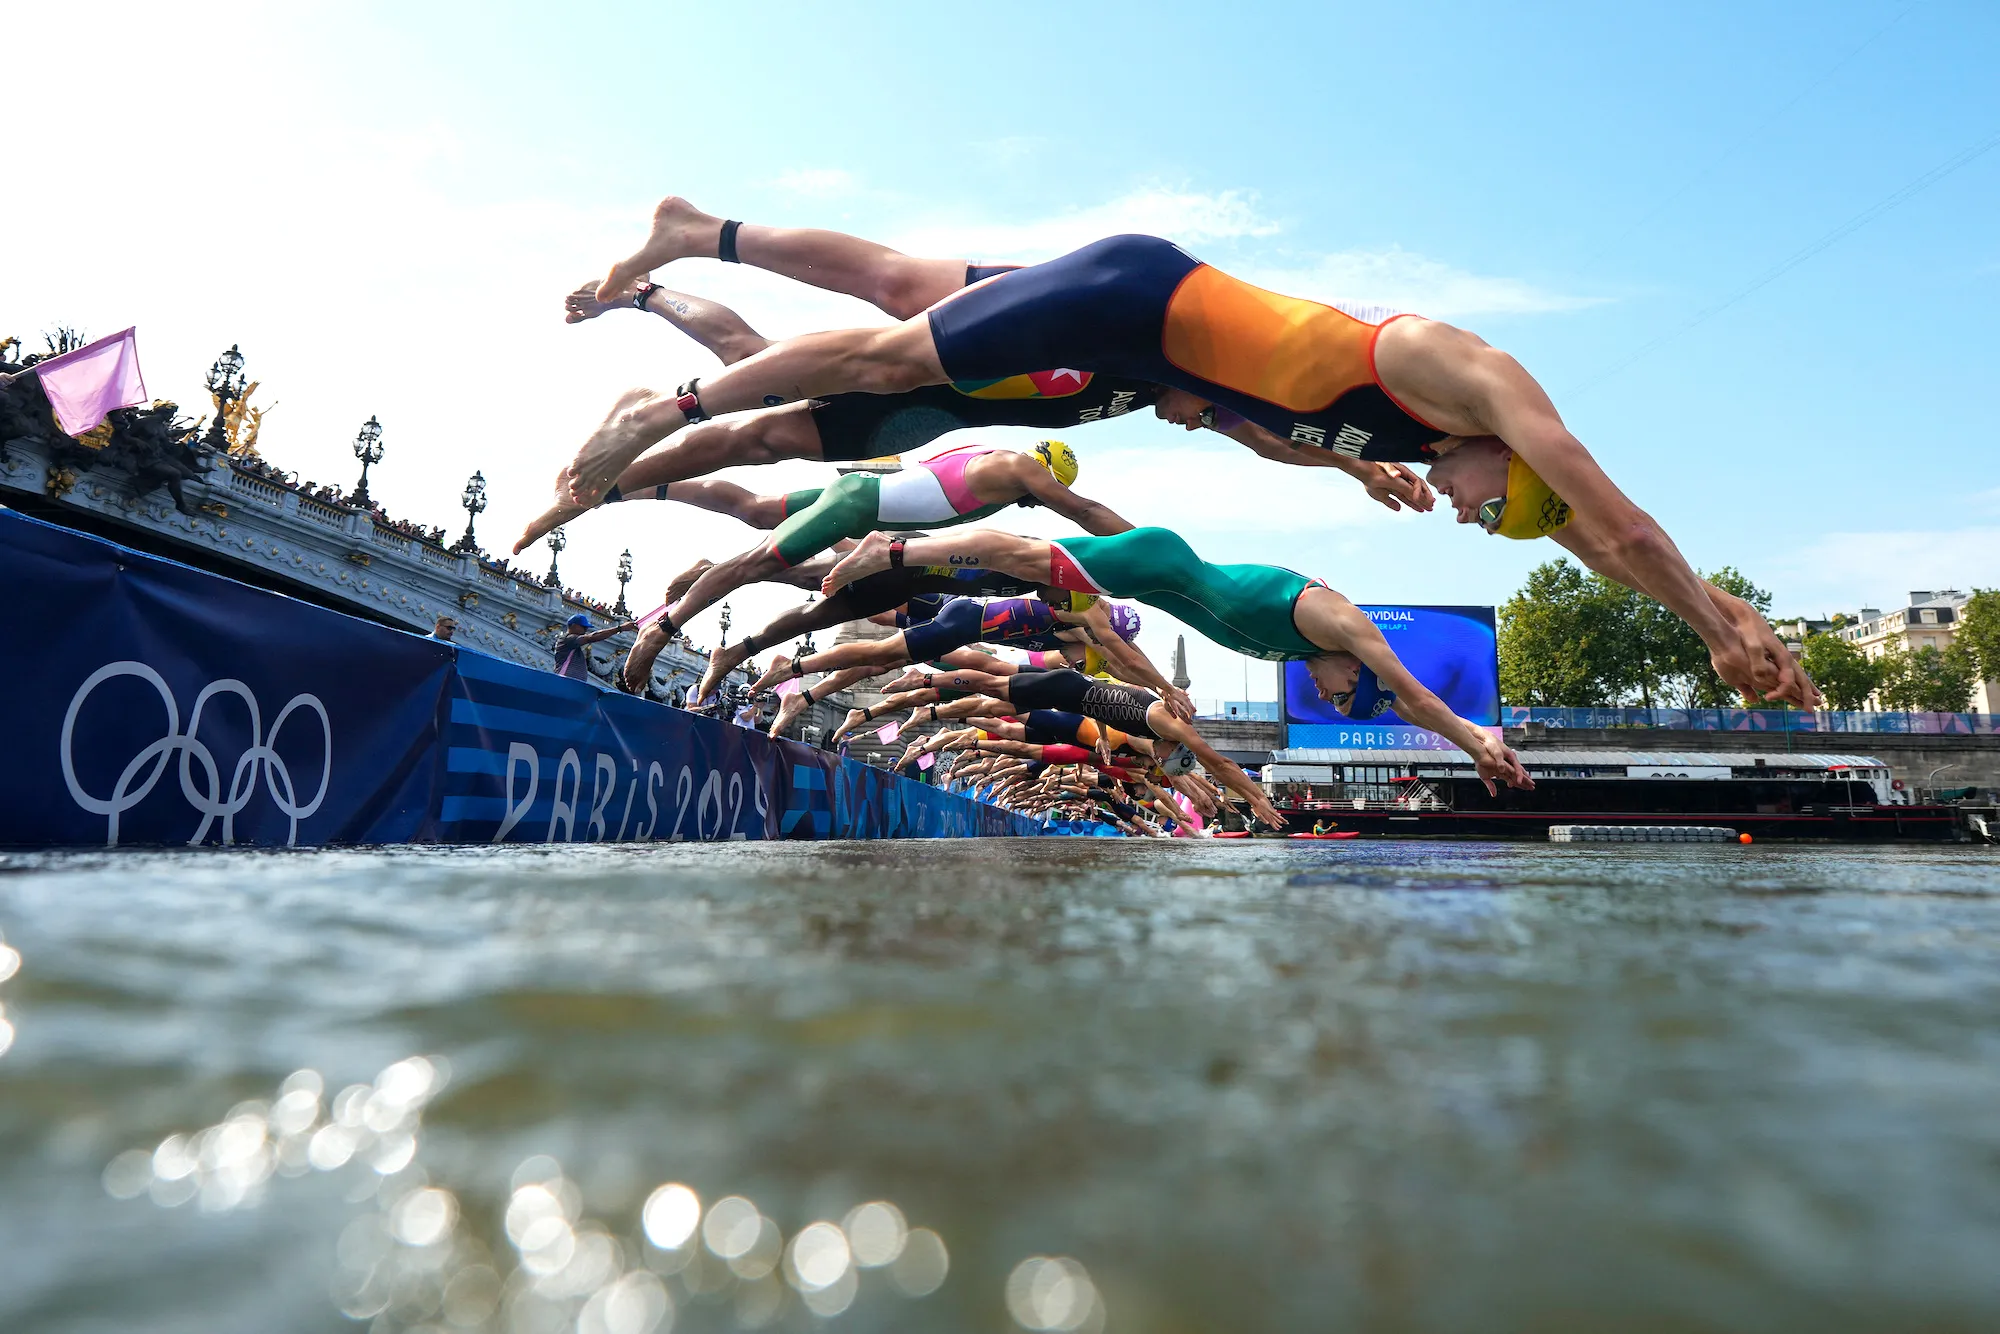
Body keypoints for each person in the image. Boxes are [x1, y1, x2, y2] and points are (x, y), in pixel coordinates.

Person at [561, 202, 1811, 707]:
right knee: (894, 362)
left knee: (892, 285)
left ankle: (695, 233)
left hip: (1132, 352)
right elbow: (1618, 518)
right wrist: (1707, 620)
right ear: (1507, 459)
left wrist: (1728, 618)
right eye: (1489, 514)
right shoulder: (1457, 374)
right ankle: (671, 412)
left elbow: (1598, 547)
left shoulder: (1414, 444)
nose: (1460, 515)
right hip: (1128, 303)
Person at [513, 203, 1434, 552]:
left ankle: (653, 304)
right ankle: (694, 252)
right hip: (991, 332)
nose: (1198, 422)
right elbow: (1272, 412)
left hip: (931, 409)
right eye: (1207, 414)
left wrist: (1352, 467)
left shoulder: (1165, 389)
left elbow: (1271, 435)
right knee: (891, 284)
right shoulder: (1169, 349)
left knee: (759, 401)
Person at [821, 525, 1533, 793]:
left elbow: (1407, 703)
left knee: (1028, 581)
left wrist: (1477, 748)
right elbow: (1414, 691)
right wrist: (1474, 738)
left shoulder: (1325, 655)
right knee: (1020, 554)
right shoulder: (1338, 622)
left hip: (1154, 584)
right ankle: (890, 547)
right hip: (1160, 562)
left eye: (1338, 705)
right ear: (1356, 669)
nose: (1327, 695)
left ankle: (895, 574)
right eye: (1343, 696)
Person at [617, 440, 1131, 691]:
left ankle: (734, 648)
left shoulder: (1006, 504)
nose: (1041, 502)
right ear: (1047, 473)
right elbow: (1080, 514)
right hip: (871, 516)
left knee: (809, 599)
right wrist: (1145, 551)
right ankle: (641, 496)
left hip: (898, 549)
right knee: (757, 542)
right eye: (1047, 493)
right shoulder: (1018, 483)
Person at [553, 612, 637, 681]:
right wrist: (620, 628)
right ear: (573, 625)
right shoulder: (568, 639)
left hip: (573, 684)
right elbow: (592, 637)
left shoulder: (574, 645)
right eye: (584, 627)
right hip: (565, 681)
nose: (586, 630)